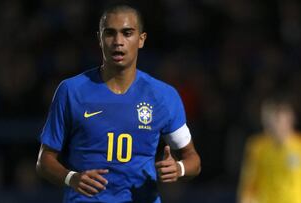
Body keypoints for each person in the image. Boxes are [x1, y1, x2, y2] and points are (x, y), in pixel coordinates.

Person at [36, 4, 201, 203]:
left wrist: (179, 168)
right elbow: (44, 161)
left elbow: (193, 159)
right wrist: (71, 178)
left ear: (141, 40)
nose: (118, 41)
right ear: (99, 39)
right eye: (110, 33)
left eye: (127, 33)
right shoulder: (71, 91)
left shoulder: (163, 96)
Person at [238, 95, 301, 203]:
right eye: (274, 119)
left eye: (280, 119)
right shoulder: (257, 147)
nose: (276, 124)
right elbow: (248, 185)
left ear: (291, 119)